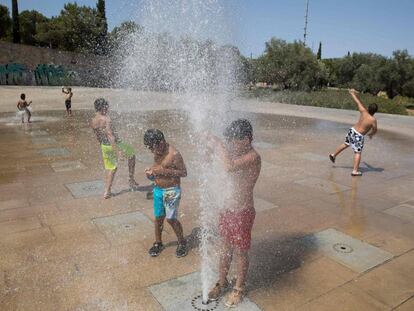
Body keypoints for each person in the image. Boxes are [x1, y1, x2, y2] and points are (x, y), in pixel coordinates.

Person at [206, 119, 261, 307]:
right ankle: (222, 281)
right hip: (227, 208)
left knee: (240, 252)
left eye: (234, 140)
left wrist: (219, 145)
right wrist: (209, 146)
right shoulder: (234, 152)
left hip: (242, 211)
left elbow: (228, 166)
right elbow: (213, 160)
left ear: (247, 139)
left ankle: (239, 288)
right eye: (229, 141)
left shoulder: (253, 157)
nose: (231, 144)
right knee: (224, 247)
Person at [144, 129, 188, 258]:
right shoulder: (157, 150)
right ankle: (158, 243)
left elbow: (184, 173)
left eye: (154, 148)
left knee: (171, 219)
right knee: (158, 218)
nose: (153, 151)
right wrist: (151, 174)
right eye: (150, 149)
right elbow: (158, 169)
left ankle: (182, 242)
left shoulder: (174, 154)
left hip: (171, 191)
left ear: (162, 142)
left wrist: (163, 171)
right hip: (158, 190)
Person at [90, 98, 139, 199]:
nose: (108, 108)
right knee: (132, 155)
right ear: (103, 107)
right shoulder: (106, 119)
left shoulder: (93, 120)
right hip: (115, 144)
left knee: (111, 168)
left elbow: (97, 135)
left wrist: (102, 144)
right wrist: (118, 151)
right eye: (106, 106)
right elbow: (110, 135)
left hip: (104, 146)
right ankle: (131, 179)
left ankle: (107, 191)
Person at [329, 89, 378, 176]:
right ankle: (355, 171)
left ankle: (333, 155)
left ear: (368, 108)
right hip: (359, 136)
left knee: (346, 144)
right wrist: (371, 134)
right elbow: (375, 129)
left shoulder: (363, 111)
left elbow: (358, 102)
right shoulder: (373, 120)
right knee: (358, 152)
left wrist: (352, 94)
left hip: (352, 130)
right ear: (375, 112)